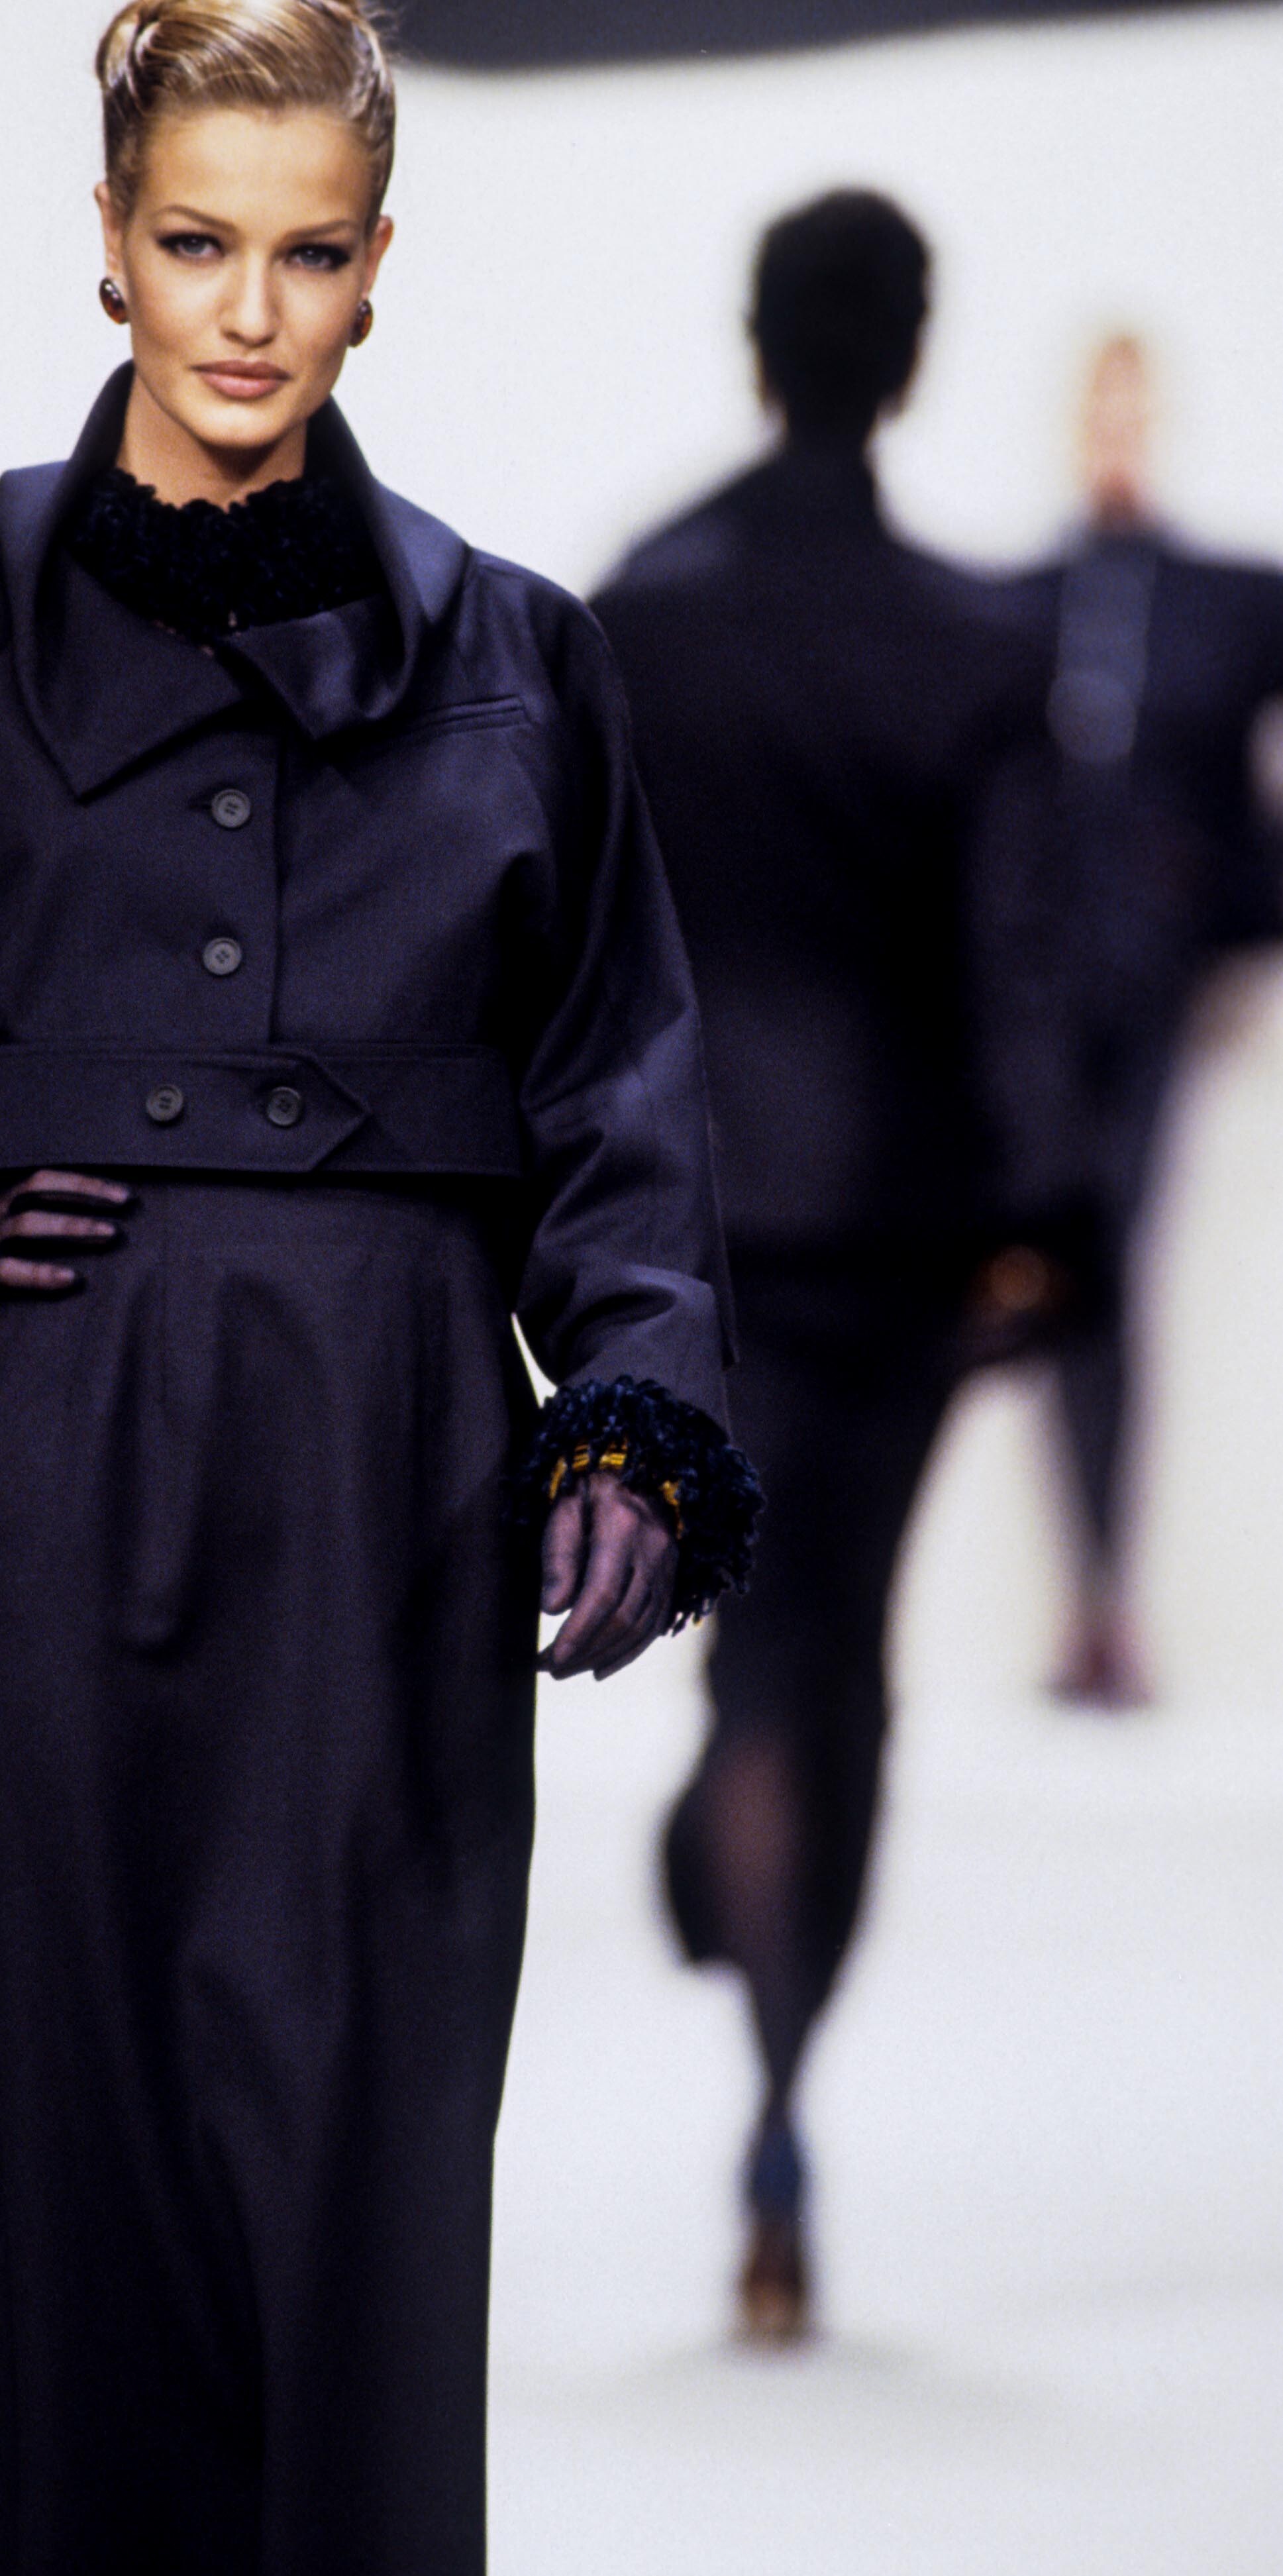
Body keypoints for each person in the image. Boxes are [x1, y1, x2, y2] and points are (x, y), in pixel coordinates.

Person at [0, 5, 760, 2567]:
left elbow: (619, 1090)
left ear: (376, 269)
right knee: (65, 2151)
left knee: (359, 2161)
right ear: (108, 248)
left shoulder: (517, 659)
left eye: (304, 253)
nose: (246, 307)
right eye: (196, 241)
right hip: (59, 1427)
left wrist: (635, 1405)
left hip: (391, 1465)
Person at [593, 191, 1051, 2344]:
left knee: (759, 1655)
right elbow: (1023, 971)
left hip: (689, 1213)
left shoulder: (639, 616)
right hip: (902, 1225)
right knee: (844, 1652)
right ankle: (780, 2100)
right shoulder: (972, 640)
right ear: (910, 356)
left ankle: (727, 1812)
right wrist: (1047, 1222)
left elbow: (578, 939)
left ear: (756, 342)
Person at [1014, 335, 1283, 1707]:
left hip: (1153, 986)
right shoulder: (1015, 606)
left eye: (1135, 413)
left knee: (1108, 1269)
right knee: (1065, 1278)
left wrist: (1238, 907)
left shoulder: (1231, 604)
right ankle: (1091, 1601)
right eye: (1098, 412)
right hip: (1032, 1000)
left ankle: (1104, 1602)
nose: (1116, 436)